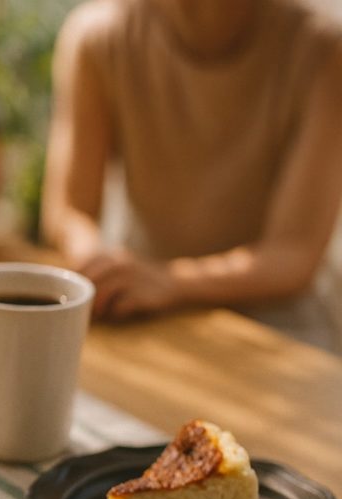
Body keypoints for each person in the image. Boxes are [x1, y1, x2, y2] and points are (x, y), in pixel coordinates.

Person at [42, 0, 342, 352]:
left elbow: (293, 254)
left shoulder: (321, 49)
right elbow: (69, 210)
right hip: (143, 312)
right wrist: (96, 268)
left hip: (278, 327)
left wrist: (170, 282)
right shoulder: (98, 37)